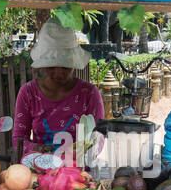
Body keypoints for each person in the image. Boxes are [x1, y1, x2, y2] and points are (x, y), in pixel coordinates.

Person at [11, 21, 104, 160]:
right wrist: (39, 149)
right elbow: (18, 140)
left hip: (78, 173)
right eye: (52, 66)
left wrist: (76, 154)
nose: (59, 74)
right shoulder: (28, 93)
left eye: (66, 66)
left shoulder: (89, 94)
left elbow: (98, 139)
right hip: (39, 172)